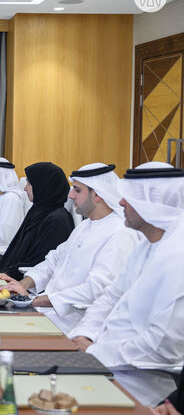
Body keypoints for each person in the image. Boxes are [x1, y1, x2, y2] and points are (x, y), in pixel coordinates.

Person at [69, 162, 184, 406]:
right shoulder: (145, 245)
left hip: (141, 386)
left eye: (129, 198)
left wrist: (94, 353)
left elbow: (161, 347)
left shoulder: (178, 257)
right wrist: (85, 333)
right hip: (106, 364)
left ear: (152, 205)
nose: (120, 203)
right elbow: (110, 297)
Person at [0, 163, 139, 335]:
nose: (70, 196)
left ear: (97, 194)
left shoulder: (119, 233)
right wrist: (22, 284)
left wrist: (38, 300)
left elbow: (96, 289)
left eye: (77, 190)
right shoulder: (84, 226)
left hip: (74, 326)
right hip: (47, 313)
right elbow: (53, 260)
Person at [0, 162, 75, 280]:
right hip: (12, 277)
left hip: (27, 284)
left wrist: (8, 273)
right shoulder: (37, 211)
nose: (25, 188)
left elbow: (40, 263)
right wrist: (1, 268)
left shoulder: (58, 220)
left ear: (43, 185)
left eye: (29, 183)